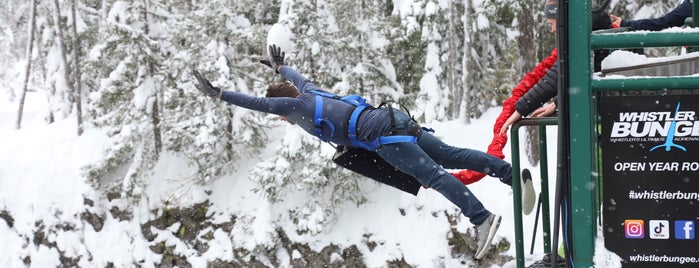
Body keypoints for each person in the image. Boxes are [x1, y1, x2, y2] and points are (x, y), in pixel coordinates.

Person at [193, 44, 514, 259]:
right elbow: (296, 77)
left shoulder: (292, 106)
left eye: (281, 114)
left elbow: (259, 103)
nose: (282, 117)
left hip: (382, 135)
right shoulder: (309, 91)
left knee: (433, 175)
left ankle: (482, 218)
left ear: (284, 109)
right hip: (394, 118)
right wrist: (280, 67)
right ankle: (508, 173)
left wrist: (220, 94)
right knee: (451, 155)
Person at [498, 0, 613, 136]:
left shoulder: (582, 38)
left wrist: (521, 109)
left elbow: (561, 72)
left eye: (553, 23)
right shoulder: (591, 31)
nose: (553, 29)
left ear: (564, 20)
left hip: (607, 119)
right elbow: (579, 76)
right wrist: (558, 102)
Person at [610, 0, 693, 31]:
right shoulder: (691, 6)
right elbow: (661, 23)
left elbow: (661, 23)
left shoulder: (691, 5)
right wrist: (625, 24)